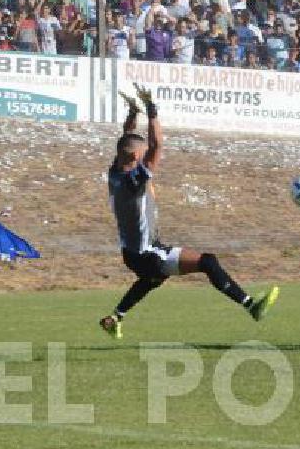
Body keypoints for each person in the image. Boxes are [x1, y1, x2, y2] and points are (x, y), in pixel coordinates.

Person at [100, 86, 280, 339]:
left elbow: (127, 138)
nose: (143, 160)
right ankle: (252, 306)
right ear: (134, 157)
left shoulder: (115, 172)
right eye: (140, 157)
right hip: (146, 253)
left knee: (152, 281)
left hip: (134, 252)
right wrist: (152, 109)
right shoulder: (133, 182)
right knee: (207, 262)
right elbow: (157, 145)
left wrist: (133, 112)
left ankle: (114, 318)